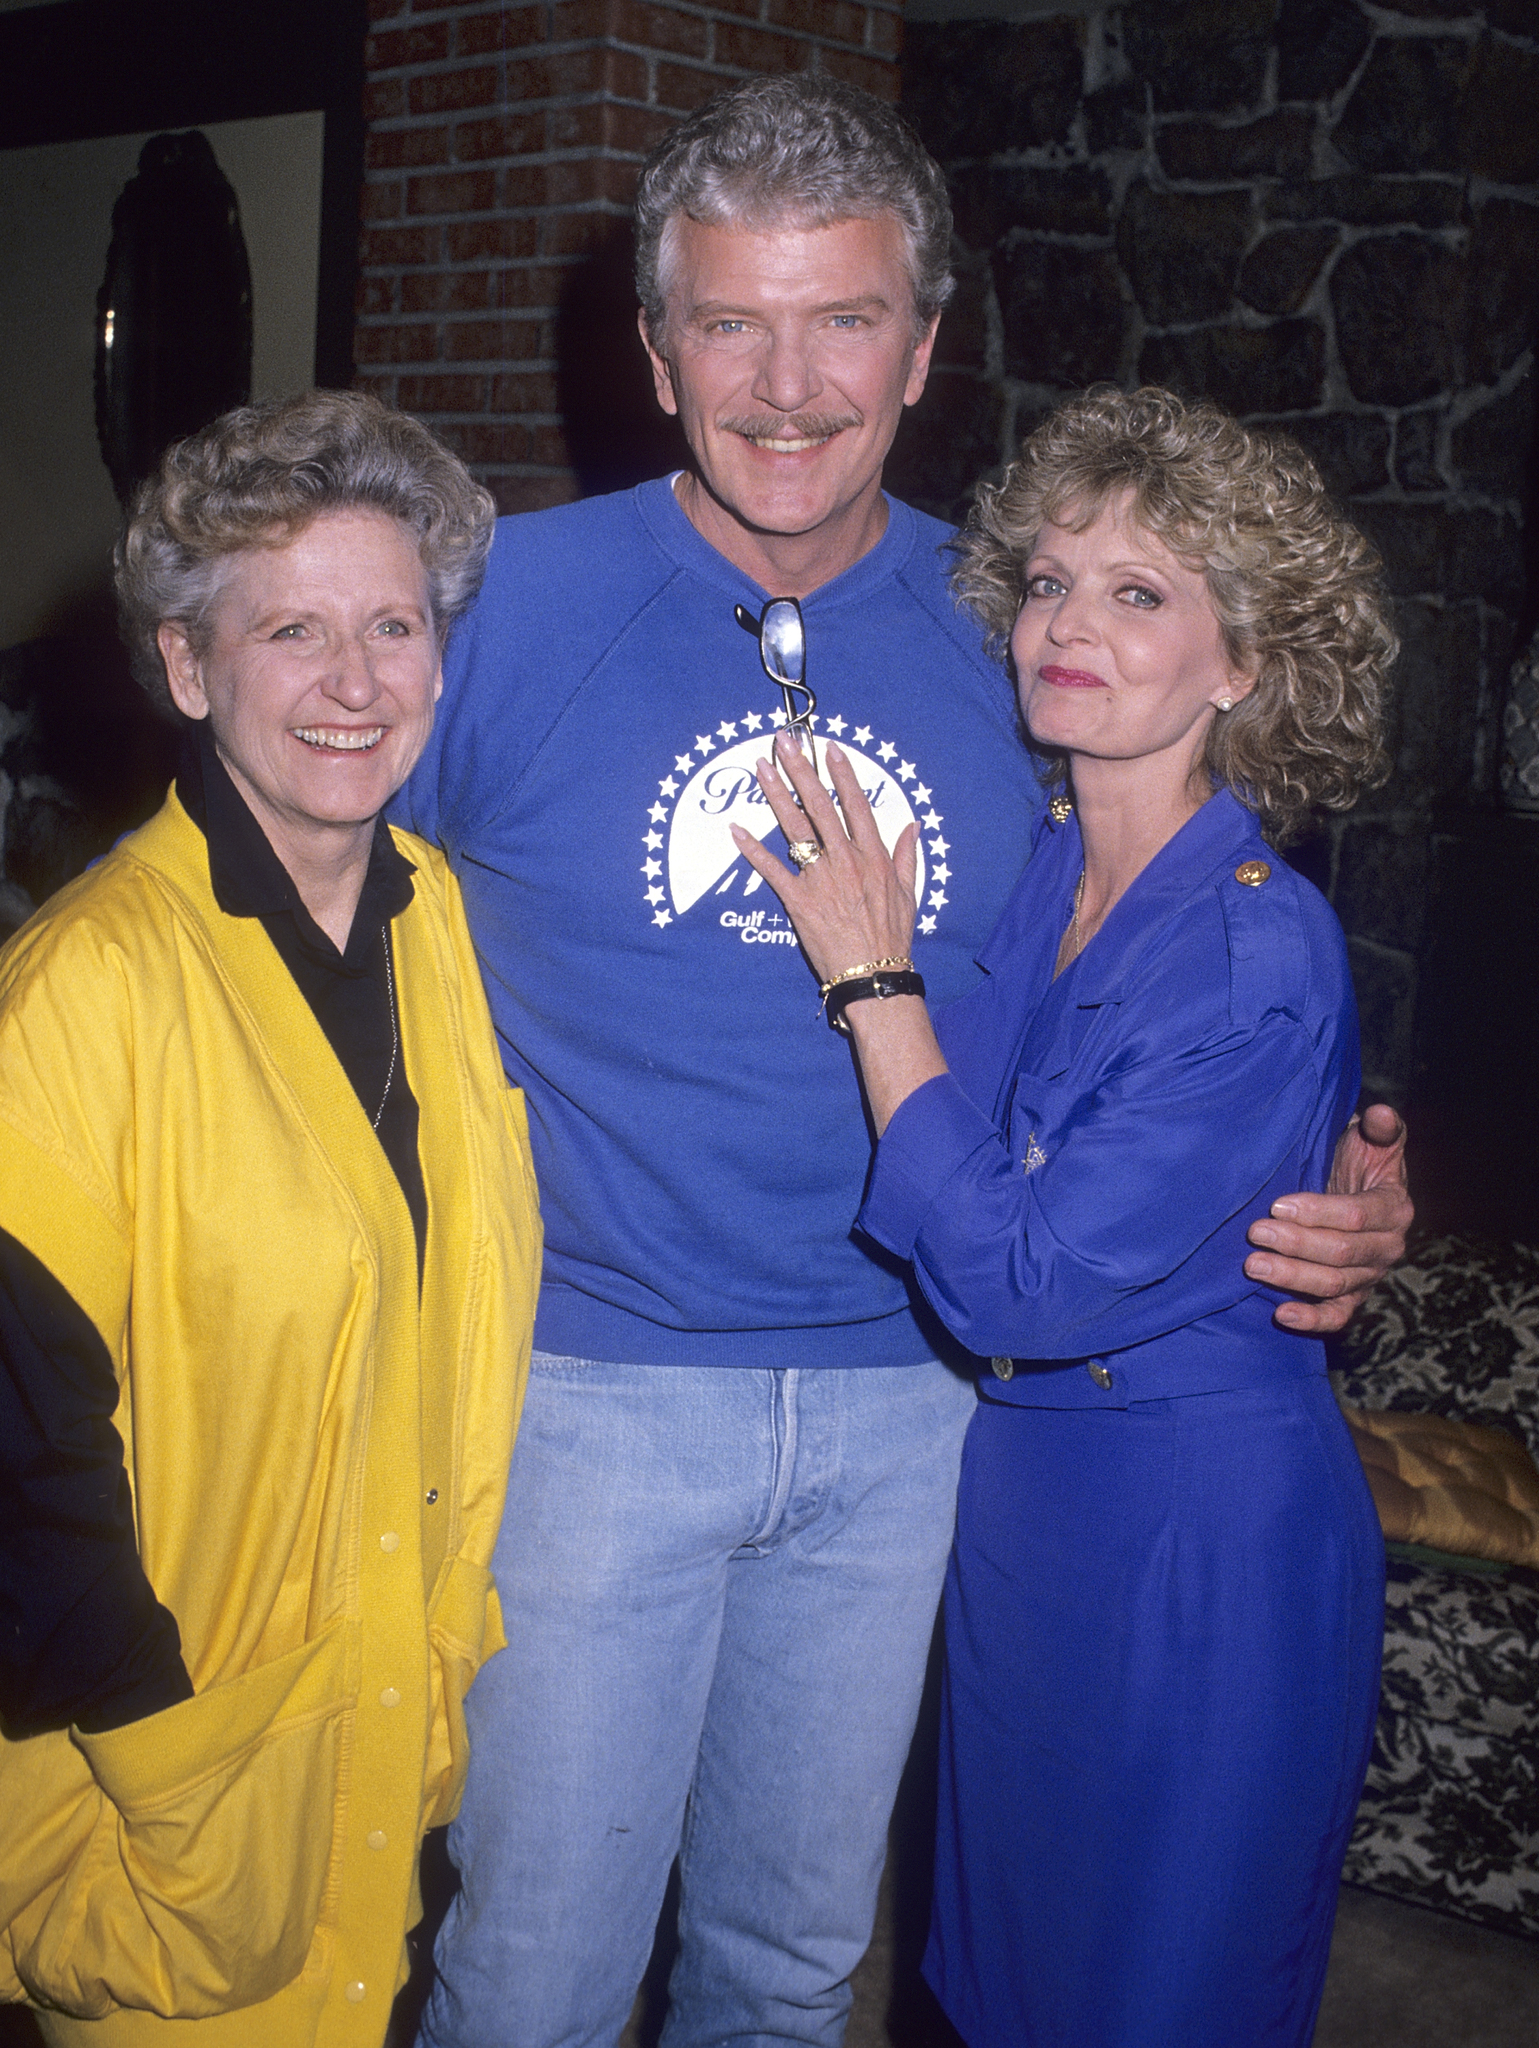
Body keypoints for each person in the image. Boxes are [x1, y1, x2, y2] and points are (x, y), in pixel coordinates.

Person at [393, 76, 1412, 2048]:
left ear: (925, 348)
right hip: (595, 1394)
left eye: (843, 318)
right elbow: (281, 926)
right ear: (652, 348)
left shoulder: (1009, 632)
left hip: (917, 1413)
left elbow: (1169, 966)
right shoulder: (502, 610)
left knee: (787, 1978)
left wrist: (1340, 1169)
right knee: (527, 1978)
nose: (786, 382)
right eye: (729, 320)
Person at [737, 385, 1394, 2046]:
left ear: (1242, 663)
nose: (1067, 625)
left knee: (1161, 1991)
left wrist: (872, 979)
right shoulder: (1045, 863)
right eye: (1046, 582)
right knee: (994, 1986)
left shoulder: (1261, 940)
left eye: (1139, 592)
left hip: (1197, 1546)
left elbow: (1025, 1278)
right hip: (1021, 1520)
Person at [0, 391, 542, 2047]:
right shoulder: (76, 993)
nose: (357, 682)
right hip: (167, 1795)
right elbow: (24, 1473)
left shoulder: (437, 919)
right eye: (291, 629)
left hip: (380, 1749)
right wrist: (172, 1780)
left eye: (393, 624)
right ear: (186, 669)